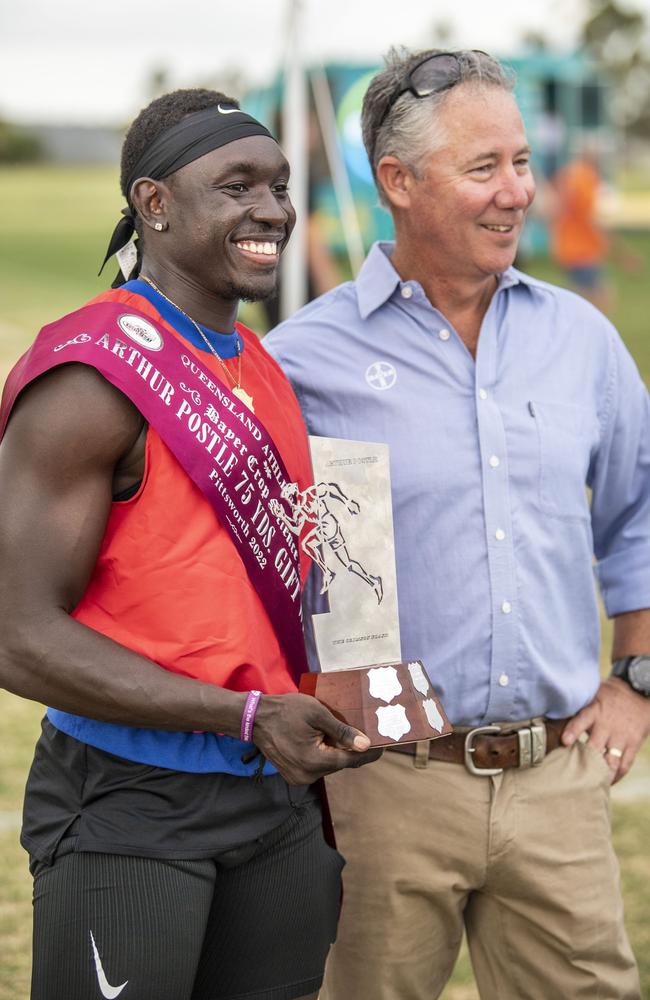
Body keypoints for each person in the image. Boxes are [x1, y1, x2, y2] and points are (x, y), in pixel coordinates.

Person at [265, 49, 650, 999]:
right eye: (484, 168)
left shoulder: (583, 341)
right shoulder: (301, 361)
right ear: (395, 183)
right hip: (384, 788)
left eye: (521, 162)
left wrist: (637, 678)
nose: (517, 191)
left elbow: (639, 515)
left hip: (558, 774)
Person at [0, 88, 381, 1000]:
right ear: (154, 203)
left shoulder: (256, 363)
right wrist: (244, 716)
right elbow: (16, 635)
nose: (272, 211)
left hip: (273, 801)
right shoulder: (92, 379)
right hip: (132, 802)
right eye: (237, 186)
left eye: (281, 187)